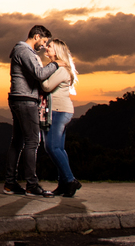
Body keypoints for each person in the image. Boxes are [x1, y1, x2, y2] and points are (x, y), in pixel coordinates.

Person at [3, 24, 66, 197]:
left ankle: (10, 183)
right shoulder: (24, 51)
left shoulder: (23, 51)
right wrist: (55, 64)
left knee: (17, 141)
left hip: (19, 99)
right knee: (32, 142)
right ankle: (31, 185)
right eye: (44, 42)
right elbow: (39, 74)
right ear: (36, 36)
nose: (44, 46)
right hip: (25, 101)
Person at [41, 38, 82, 197]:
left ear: (57, 51)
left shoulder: (61, 69)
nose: (46, 48)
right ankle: (64, 184)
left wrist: (40, 76)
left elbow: (46, 86)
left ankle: (71, 180)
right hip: (58, 111)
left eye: (50, 46)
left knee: (51, 147)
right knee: (59, 148)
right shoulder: (57, 67)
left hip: (59, 111)